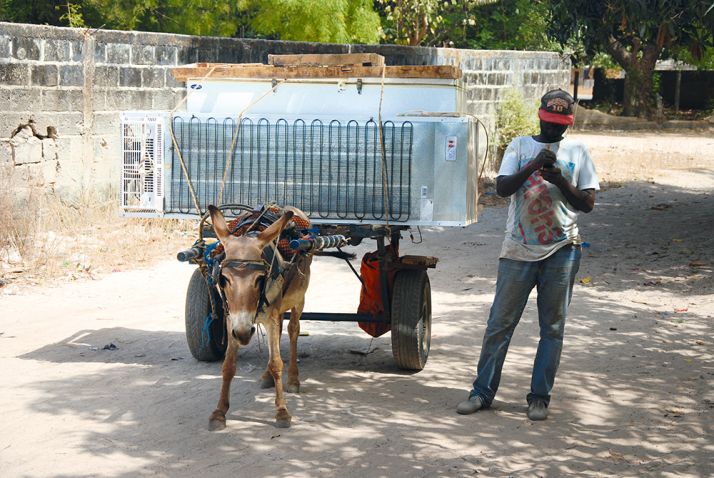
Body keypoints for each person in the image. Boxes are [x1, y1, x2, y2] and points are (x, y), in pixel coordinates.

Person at [457, 89, 599, 421]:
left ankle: (539, 397)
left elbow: (587, 204)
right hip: (518, 250)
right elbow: (502, 188)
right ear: (539, 116)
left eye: (559, 125)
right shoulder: (521, 146)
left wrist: (561, 181)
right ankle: (482, 392)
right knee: (499, 324)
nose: (553, 131)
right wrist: (535, 165)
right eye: (548, 123)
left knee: (552, 328)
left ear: (569, 123)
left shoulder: (578, 151)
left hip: (562, 250)